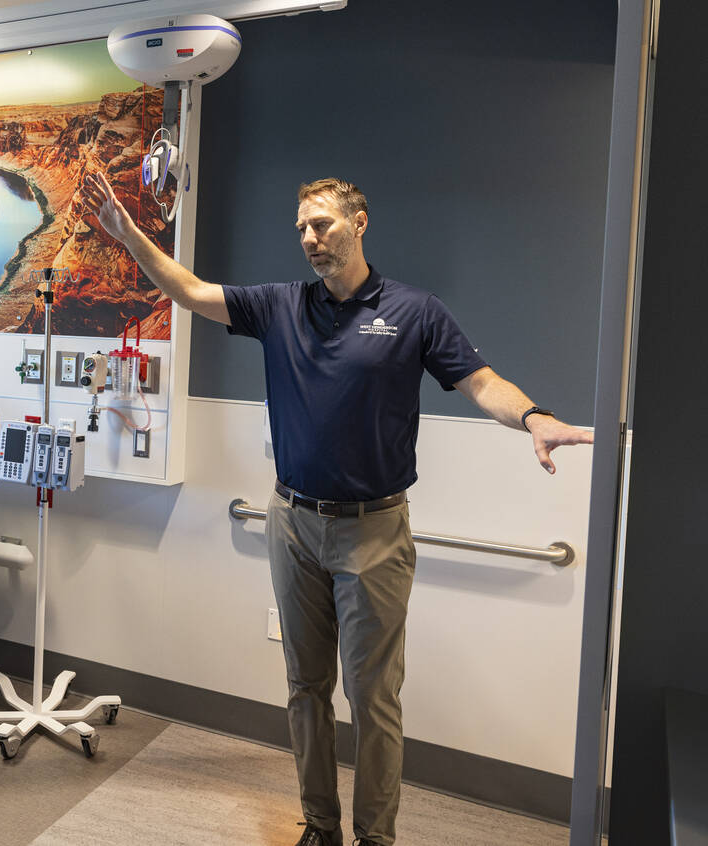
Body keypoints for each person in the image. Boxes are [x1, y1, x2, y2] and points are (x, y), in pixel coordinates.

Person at [81, 172, 593, 846]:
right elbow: (191, 290)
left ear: (360, 221)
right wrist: (128, 234)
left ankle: (375, 837)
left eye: (321, 223)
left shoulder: (414, 312)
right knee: (305, 688)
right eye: (300, 228)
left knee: (374, 701)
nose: (309, 238)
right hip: (292, 524)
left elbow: (481, 381)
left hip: (374, 532)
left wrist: (531, 416)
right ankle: (320, 827)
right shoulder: (279, 306)